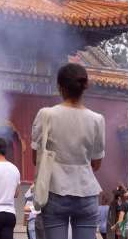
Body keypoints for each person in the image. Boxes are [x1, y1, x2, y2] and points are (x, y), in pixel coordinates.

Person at [31, 63, 105, 239]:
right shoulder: (97, 119)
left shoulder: (46, 114)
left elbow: (36, 158)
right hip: (87, 192)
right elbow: (96, 163)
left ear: (60, 87)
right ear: (84, 87)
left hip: (55, 190)